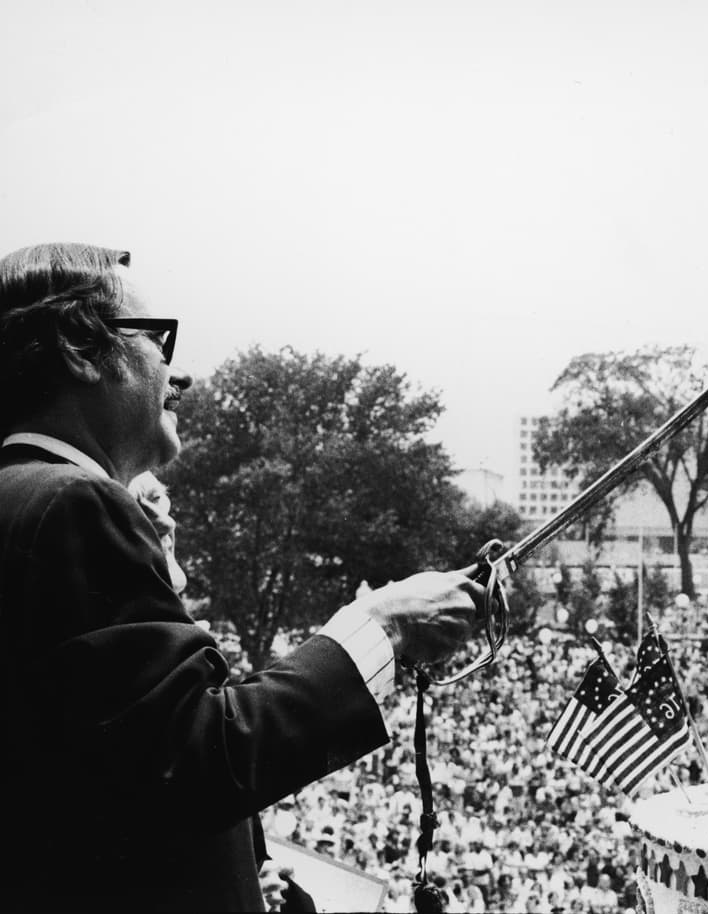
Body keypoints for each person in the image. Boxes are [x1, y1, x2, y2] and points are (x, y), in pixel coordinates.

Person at [0, 242, 484, 912]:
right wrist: (384, 626)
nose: (182, 375)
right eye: (158, 341)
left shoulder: (23, 502)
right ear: (80, 348)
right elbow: (194, 760)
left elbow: (111, 780)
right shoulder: (72, 506)